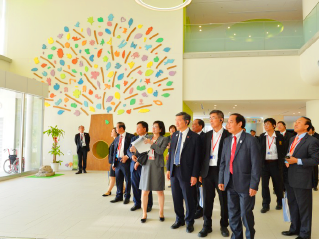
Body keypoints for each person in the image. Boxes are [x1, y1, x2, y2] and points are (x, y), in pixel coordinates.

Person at [219, 113, 262, 239]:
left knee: (246, 214)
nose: (228, 124)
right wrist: (221, 179)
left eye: (231, 121)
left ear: (240, 124)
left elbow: (256, 164)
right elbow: (223, 163)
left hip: (245, 184)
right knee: (233, 214)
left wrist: (254, 185)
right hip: (229, 182)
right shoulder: (227, 141)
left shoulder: (250, 140)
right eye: (228, 122)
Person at [282, 117, 319, 239]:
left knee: (304, 207)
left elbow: (315, 160)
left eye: (299, 122)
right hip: (290, 177)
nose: (296, 124)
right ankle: (294, 228)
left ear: (307, 126)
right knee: (293, 205)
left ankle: (304, 234)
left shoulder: (312, 140)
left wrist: (296, 161)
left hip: (302, 179)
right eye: (296, 122)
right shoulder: (293, 138)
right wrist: (287, 160)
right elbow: (290, 153)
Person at [167, 112, 201, 234]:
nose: (176, 123)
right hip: (174, 170)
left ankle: (189, 222)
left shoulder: (195, 137)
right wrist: (168, 169)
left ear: (186, 122)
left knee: (189, 198)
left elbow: (198, 158)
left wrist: (194, 175)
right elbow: (171, 154)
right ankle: (179, 219)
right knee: (176, 197)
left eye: (179, 120)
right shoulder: (175, 135)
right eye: (175, 120)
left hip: (187, 172)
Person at [199, 110, 231, 238]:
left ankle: (224, 225)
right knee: (207, 200)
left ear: (221, 120)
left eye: (213, 118)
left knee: (224, 200)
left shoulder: (229, 135)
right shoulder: (206, 136)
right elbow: (201, 156)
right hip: (207, 172)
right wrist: (200, 173)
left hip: (222, 172)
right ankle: (207, 226)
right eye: (210, 118)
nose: (211, 120)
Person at [139, 121, 170, 223]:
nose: (153, 128)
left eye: (156, 127)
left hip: (157, 166)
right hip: (146, 165)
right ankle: (144, 213)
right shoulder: (147, 137)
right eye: (153, 126)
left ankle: (161, 212)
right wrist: (135, 149)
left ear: (160, 129)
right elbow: (142, 150)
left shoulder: (164, 139)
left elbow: (160, 151)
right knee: (145, 191)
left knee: (159, 191)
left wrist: (152, 143)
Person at [259, 118, 285, 213]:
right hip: (265, 165)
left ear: (274, 125)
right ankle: (265, 204)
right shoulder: (261, 137)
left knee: (278, 185)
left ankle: (280, 202)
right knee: (264, 186)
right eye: (265, 124)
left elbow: (283, 151)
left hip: (276, 164)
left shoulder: (279, 137)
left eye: (268, 124)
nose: (266, 126)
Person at [128, 122, 153, 212]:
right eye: (136, 128)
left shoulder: (150, 138)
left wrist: (138, 160)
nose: (136, 130)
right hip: (133, 165)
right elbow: (128, 149)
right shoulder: (134, 138)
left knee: (146, 186)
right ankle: (137, 203)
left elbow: (148, 152)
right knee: (135, 185)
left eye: (138, 128)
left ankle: (148, 204)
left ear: (144, 129)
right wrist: (131, 155)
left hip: (145, 165)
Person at [110, 122, 134, 205]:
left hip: (126, 161)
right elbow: (115, 151)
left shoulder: (130, 137)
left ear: (121, 128)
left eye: (116, 128)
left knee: (128, 180)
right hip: (118, 161)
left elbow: (133, 149)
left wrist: (127, 156)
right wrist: (114, 163)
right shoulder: (117, 139)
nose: (116, 130)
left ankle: (127, 197)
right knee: (119, 180)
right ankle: (119, 196)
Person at [191, 119, 206, 220]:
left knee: (200, 191)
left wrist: (200, 172)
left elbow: (203, 156)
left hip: (200, 170)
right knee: (194, 191)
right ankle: (195, 208)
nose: (192, 126)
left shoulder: (204, 137)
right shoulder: (191, 136)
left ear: (201, 126)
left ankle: (201, 210)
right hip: (191, 169)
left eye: (195, 124)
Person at [103, 128, 119, 197]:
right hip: (113, 162)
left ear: (116, 132)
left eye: (112, 131)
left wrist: (114, 163)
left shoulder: (117, 141)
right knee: (117, 177)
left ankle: (109, 191)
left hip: (115, 162)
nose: (111, 133)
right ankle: (123, 189)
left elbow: (116, 153)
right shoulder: (115, 140)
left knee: (112, 177)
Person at [309, 126, 319, 191]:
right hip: (308, 157)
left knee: (315, 171)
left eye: (309, 130)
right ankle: (310, 184)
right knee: (309, 171)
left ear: (312, 130)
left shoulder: (317, 136)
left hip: (315, 157)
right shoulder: (307, 136)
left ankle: (315, 185)